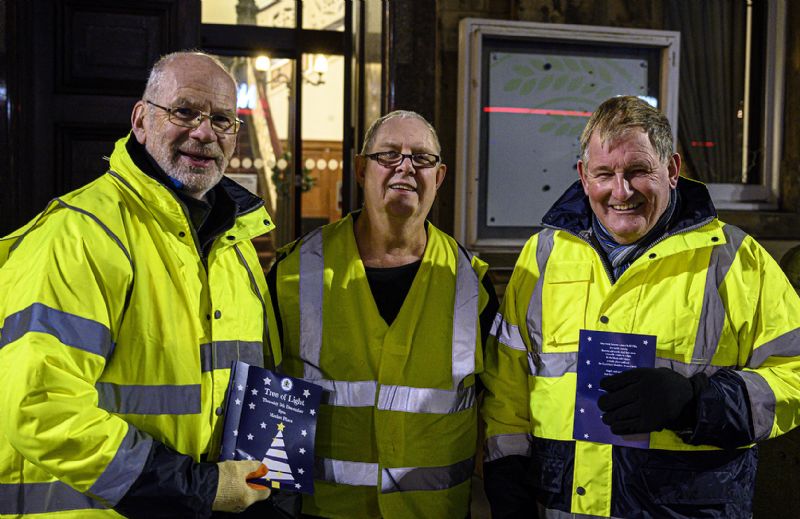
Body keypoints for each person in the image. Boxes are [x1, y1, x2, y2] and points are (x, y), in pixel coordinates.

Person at [0, 51, 291, 518]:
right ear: (140, 119)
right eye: (184, 111)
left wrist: (266, 489)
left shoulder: (236, 243)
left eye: (222, 120)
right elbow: (41, 407)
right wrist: (196, 489)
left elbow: (258, 386)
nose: (203, 133)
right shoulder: (78, 235)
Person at [481, 95, 800, 518]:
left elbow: (793, 376)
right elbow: (508, 383)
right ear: (582, 176)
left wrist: (696, 403)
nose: (621, 191)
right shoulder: (541, 257)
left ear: (671, 170)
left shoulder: (736, 260)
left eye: (638, 171)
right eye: (604, 174)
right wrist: (508, 478)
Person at [267, 110, 498, 518]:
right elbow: (266, 405)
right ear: (360, 169)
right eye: (388, 155)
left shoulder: (471, 284)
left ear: (439, 177)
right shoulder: (294, 272)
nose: (405, 167)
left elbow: (494, 408)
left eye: (422, 159)